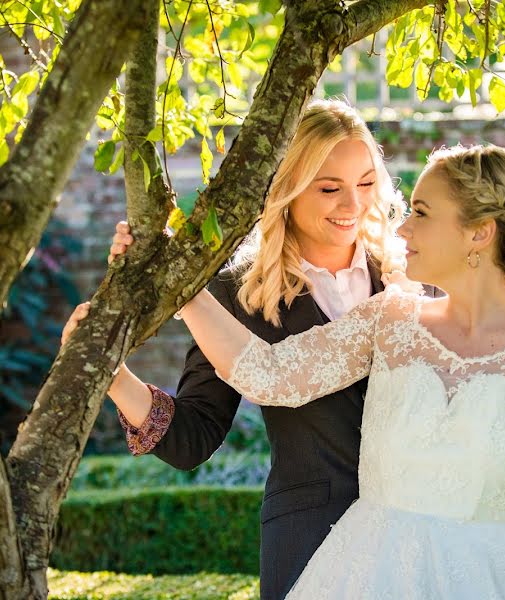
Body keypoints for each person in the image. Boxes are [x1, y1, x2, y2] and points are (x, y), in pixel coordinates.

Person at [163, 144, 505, 599]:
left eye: (421, 212)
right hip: (366, 574)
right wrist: (176, 280)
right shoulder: (389, 320)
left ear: (479, 232)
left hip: (500, 581)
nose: (402, 226)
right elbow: (269, 374)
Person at [62, 98, 407, 599]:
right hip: (310, 536)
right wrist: (113, 375)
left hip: (419, 528)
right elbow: (192, 438)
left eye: (366, 184)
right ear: (286, 188)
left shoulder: (412, 275)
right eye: (330, 188)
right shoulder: (235, 293)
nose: (353, 206)